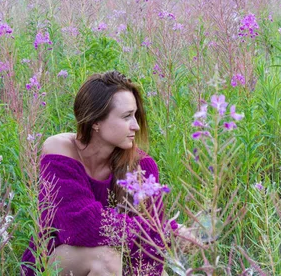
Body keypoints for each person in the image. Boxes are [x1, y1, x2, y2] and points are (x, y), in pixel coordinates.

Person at [21, 71, 174, 276]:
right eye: (126, 116)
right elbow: (80, 227)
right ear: (96, 122)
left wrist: (156, 235)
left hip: (117, 259)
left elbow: (152, 247)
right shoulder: (60, 151)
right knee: (106, 260)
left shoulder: (141, 165)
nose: (136, 126)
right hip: (54, 260)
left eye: (135, 115)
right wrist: (160, 230)